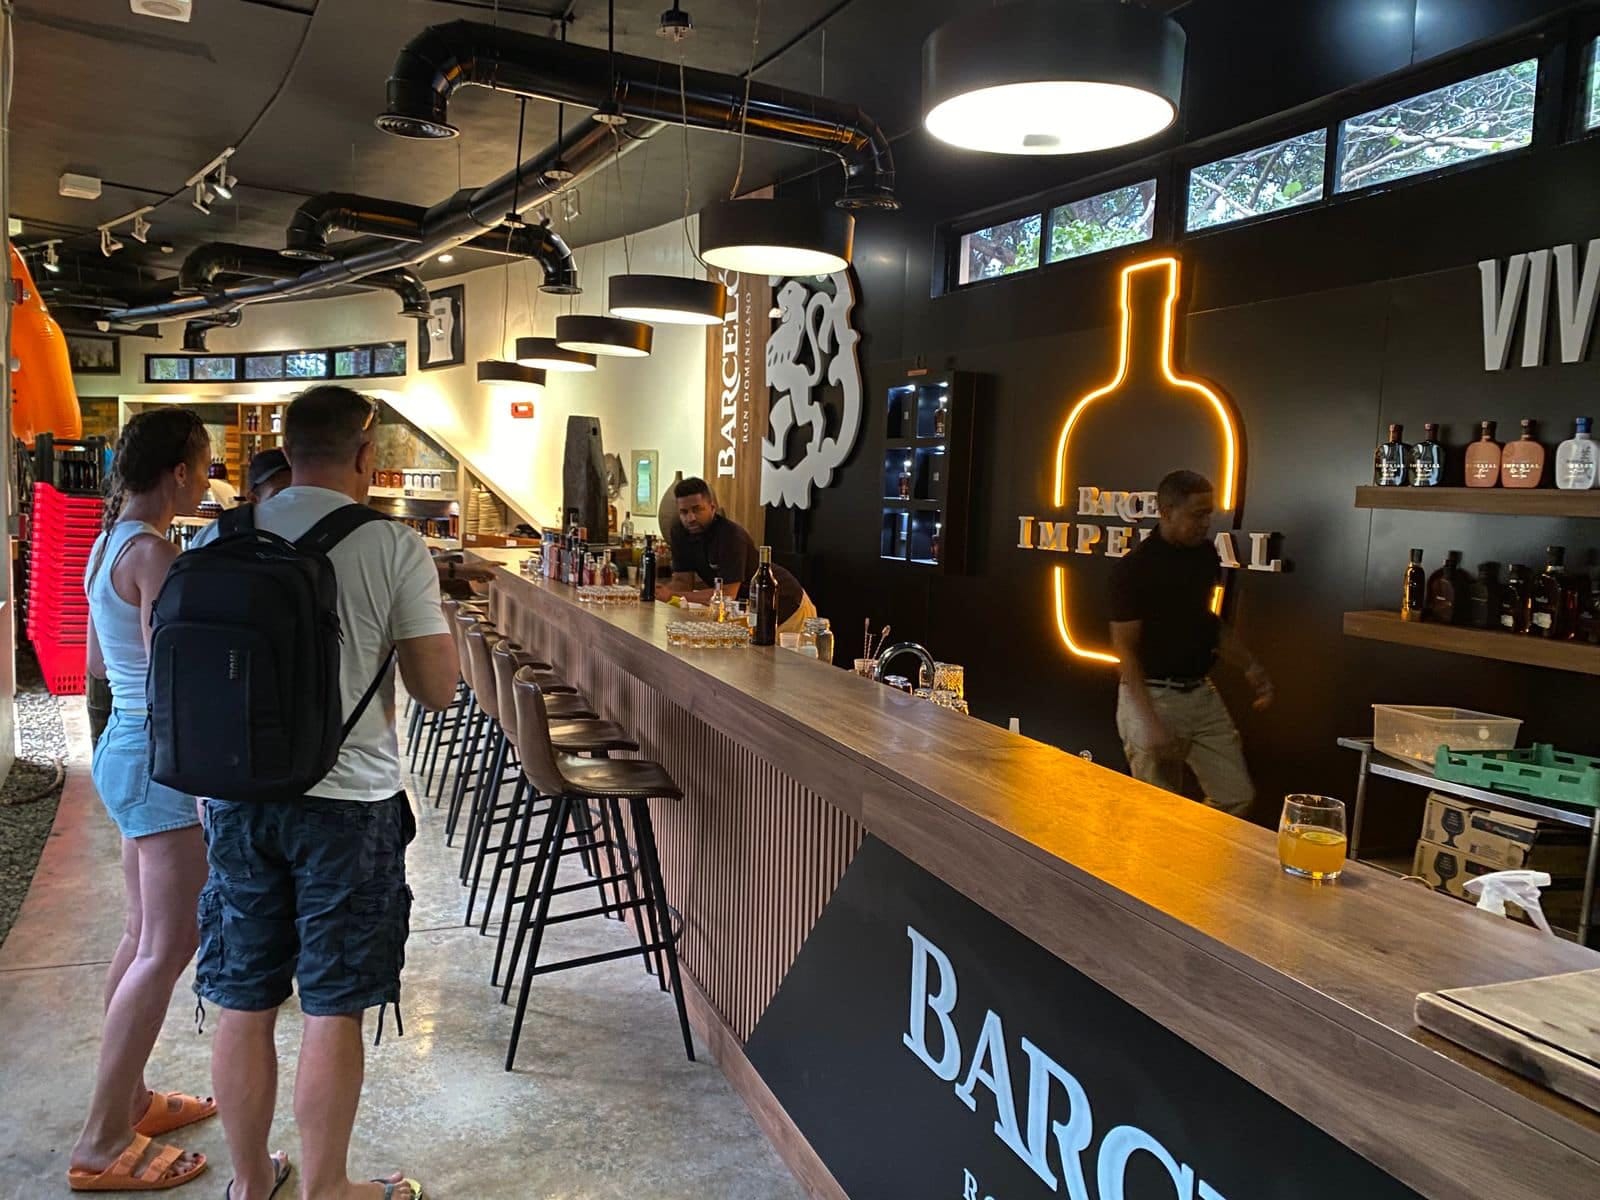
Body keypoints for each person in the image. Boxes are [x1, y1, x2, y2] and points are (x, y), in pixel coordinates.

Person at [191, 386, 458, 1200]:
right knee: (333, 1002)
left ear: (285, 446)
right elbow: (438, 690)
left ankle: (250, 1182)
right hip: (350, 805)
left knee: (245, 995)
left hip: (235, 796)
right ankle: (327, 1187)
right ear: (366, 455)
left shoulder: (216, 536)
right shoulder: (393, 547)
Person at [68, 409, 217, 1192]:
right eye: (205, 464)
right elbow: (174, 677)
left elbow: (101, 664)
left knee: (141, 935)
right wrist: (204, 782)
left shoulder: (109, 544)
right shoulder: (155, 552)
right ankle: (101, 1141)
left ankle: (128, 1099)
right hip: (160, 757)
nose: (209, 477)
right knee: (167, 944)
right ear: (178, 473)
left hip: (124, 747)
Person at [1108, 469, 1272, 818]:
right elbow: (1125, 649)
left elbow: (1208, 624)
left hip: (1200, 694)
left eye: (1209, 513)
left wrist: (1250, 666)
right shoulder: (1134, 570)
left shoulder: (1205, 556)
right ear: (1167, 512)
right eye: (1198, 514)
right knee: (1158, 811)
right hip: (1152, 694)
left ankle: (1195, 846)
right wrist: (1148, 719)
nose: (1206, 523)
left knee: (1236, 795)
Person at [657, 476, 817, 633]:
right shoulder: (679, 532)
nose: (690, 518)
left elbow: (727, 595)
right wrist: (659, 593)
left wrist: (672, 595)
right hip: (747, 609)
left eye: (697, 509)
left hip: (787, 605)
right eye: (684, 512)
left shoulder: (730, 536)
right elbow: (682, 581)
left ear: (712, 507)